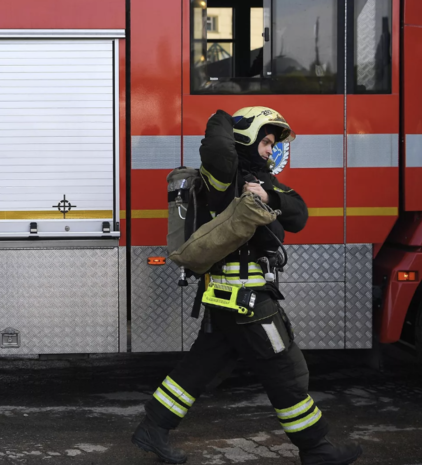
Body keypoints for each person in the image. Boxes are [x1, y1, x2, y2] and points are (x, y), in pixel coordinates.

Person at [130, 107, 363, 465]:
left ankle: (153, 428)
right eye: (266, 141)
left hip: (231, 300)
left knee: (199, 368)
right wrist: (226, 115)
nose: (271, 150)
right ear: (248, 138)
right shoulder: (224, 177)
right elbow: (218, 149)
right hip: (245, 301)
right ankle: (318, 449)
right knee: (286, 370)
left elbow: (299, 215)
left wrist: (270, 197)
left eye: (273, 143)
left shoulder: (263, 181)